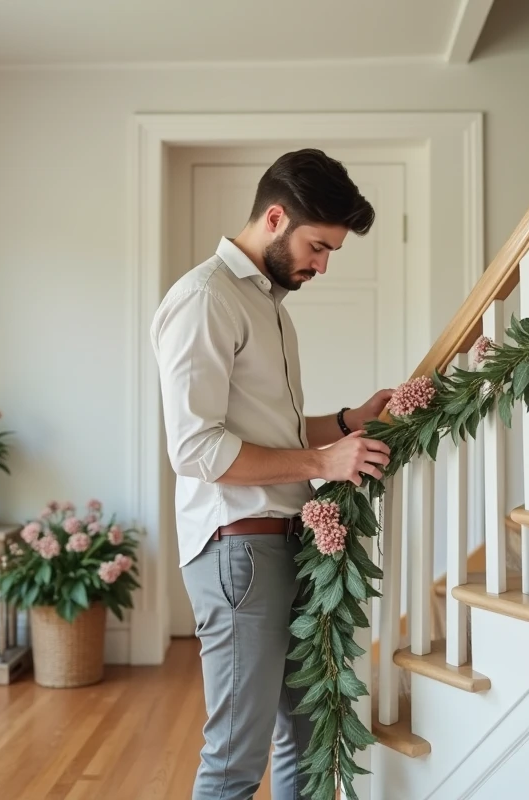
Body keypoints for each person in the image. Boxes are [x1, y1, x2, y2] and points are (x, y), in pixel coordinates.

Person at [150, 148, 394, 800]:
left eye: (331, 252)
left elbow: (271, 432)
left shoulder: (269, 305)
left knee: (304, 738)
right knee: (236, 755)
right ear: (275, 217)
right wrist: (322, 463)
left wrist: (346, 422)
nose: (321, 264)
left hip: (281, 541)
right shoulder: (206, 299)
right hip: (239, 549)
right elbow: (196, 449)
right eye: (318, 246)